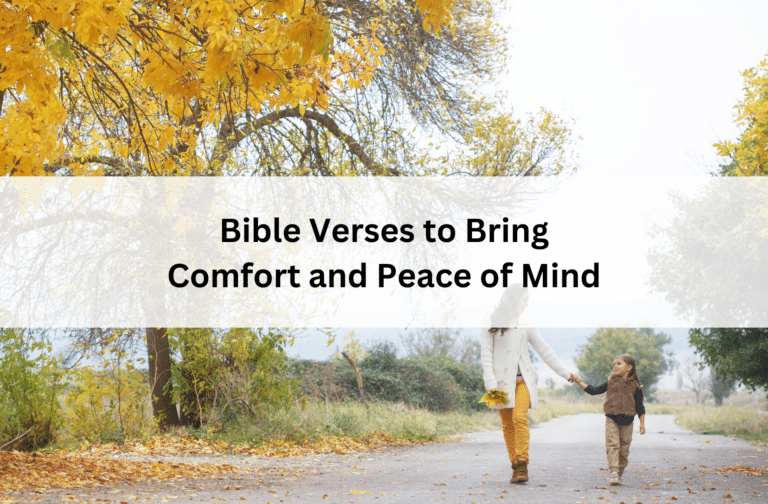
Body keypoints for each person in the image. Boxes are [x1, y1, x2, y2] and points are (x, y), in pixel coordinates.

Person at [480, 284, 579, 484]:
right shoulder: (490, 321)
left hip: (524, 381)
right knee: (507, 425)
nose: (526, 305)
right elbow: (486, 356)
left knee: (519, 417)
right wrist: (490, 386)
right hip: (498, 384)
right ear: (513, 300)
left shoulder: (526, 323)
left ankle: (523, 462)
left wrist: (567, 374)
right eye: (524, 300)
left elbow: (545, 351)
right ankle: (515, 466)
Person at [573, 354, 646, 486]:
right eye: (614, 364)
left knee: (624, 450)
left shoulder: (635, 386)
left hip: (628, 421)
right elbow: (594, 391)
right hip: (611, 418)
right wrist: (578, 381)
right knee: (613, 445)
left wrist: (642, 423)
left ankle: (619, 474)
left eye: (619, 364)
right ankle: (613, 472)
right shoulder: (611, 382)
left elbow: (640, 406)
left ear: (629, 367)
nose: (615, 366)